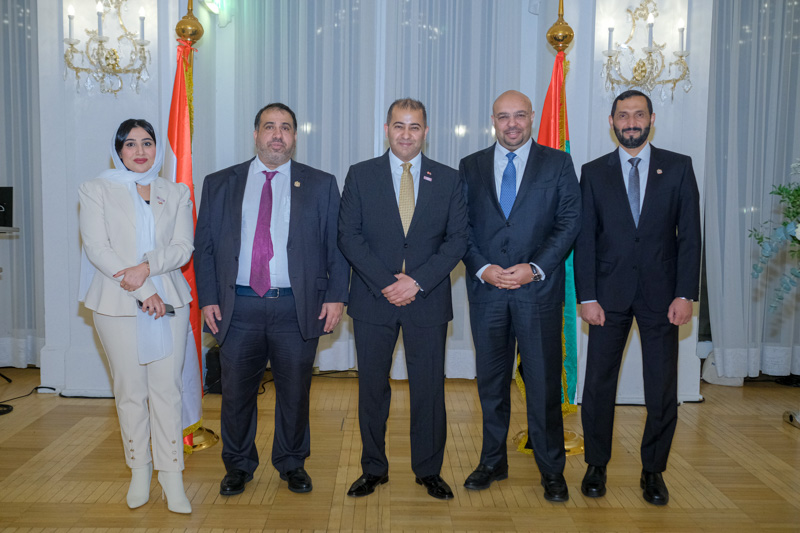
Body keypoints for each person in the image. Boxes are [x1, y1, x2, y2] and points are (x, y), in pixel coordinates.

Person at [194, 103, 349, 496]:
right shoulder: (220, 183)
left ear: (295, 136)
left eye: (285, 127)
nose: (277, 135)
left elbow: (336, 246)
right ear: (255, 134)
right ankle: (238, 465)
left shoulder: (320, 184)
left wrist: (336, 296)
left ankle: (292, 463)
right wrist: (208, 298)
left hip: (296, 306)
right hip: (237, 306)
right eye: (269, 127)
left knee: (295, 393)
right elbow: (205, 248)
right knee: (235, 394)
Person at [574, 90, 701, 506]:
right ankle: (596, 464)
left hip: (663, 297)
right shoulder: (593, 172)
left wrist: (685, 294)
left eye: (639, 115)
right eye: (623, 115)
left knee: (661, 387)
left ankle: (653, 470)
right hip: (606, 296)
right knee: (598, 385)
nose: (631, 122)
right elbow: (585, 241)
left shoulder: (679, 167)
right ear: (611, 121)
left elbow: (690, 237)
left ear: (651, 120)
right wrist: (587, 296)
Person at [338, 98, 468, 500]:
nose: (406, 134)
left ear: (426, 132)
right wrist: (386, 283)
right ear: (387, 129)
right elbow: (348, 236)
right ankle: (373, 469)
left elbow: (458, 240)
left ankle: (428, 470)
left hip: (426, 300)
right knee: (372, 389)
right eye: (399, 126)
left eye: (414, 127)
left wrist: (417, 282)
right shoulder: (360, 175)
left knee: (429, 390)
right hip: (372, 299)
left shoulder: (449, 179)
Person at [459, 90, 581, 502]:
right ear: (493, 120)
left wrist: (535, 267)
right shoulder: (470, 166)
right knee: (491, 383)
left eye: (520, 116)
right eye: (503, 116)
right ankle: (492, 461)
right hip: (487, 291)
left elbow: (569, 221)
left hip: (538, 291)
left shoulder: (558, 163)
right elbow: (460, 227)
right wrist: (482, 267)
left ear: (531, 118)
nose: (512, 124)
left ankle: (551, 469)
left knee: (543, 383)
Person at [78, 119, 194, 514]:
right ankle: (139, 471)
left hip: (170, 300)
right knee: (130, 391)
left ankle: (171, 476)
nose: (140, 151)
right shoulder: (96, 189)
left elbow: (183, 247)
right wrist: (144, 290)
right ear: (118, 150)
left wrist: (146, 268)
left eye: (147, 142)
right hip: (116, 303)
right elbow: (98, 249)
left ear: (157, 148)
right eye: (130, 144)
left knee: (167, 390)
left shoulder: (176, 192)